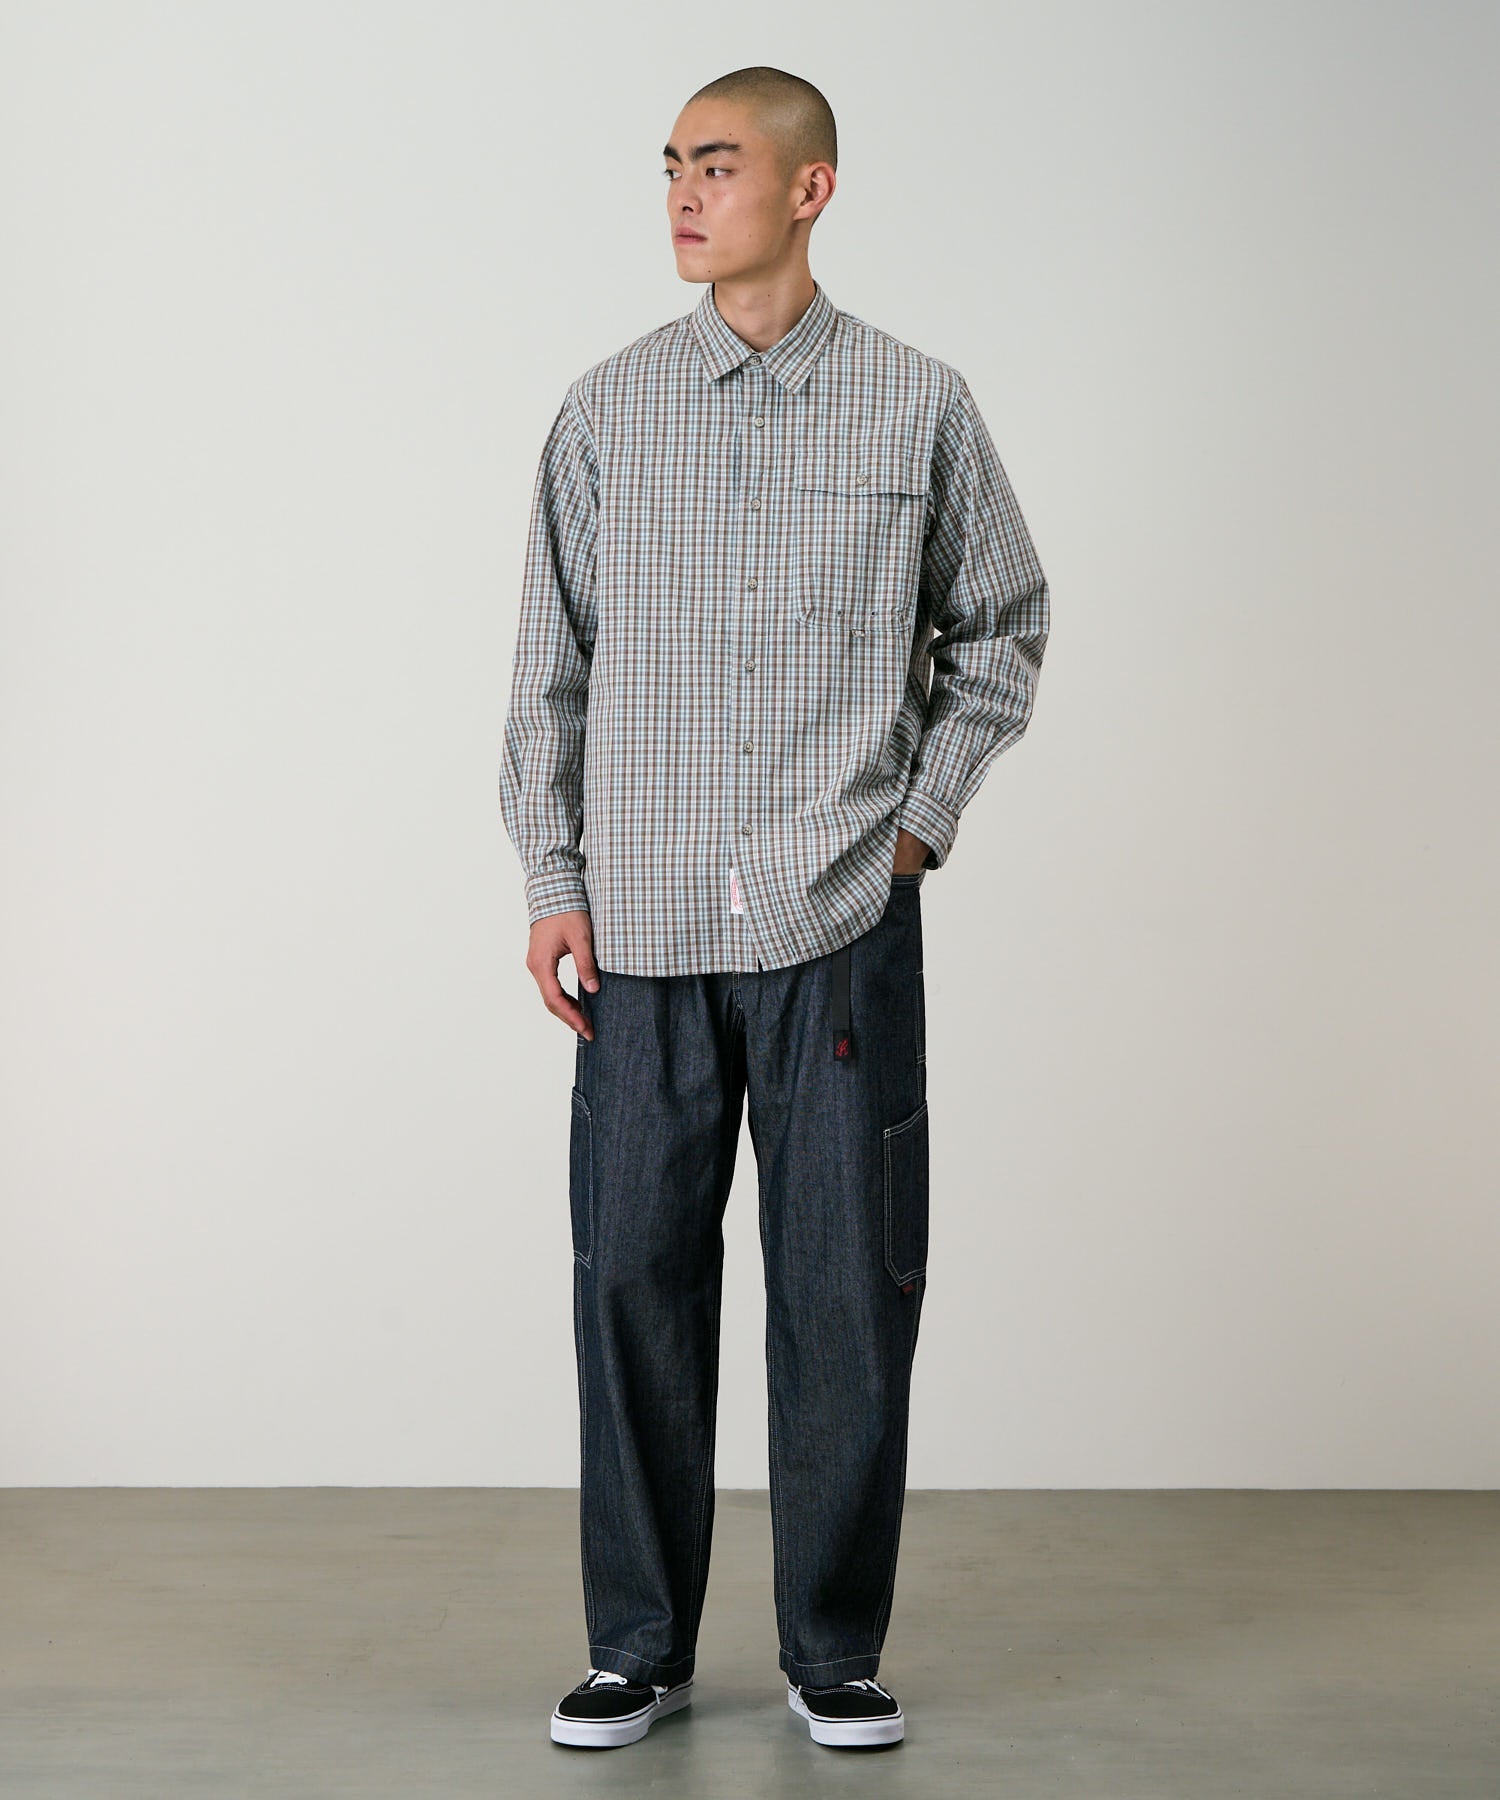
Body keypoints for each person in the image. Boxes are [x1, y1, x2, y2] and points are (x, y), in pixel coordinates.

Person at [499, 65, 1049, 1752]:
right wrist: (553, 881)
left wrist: (916, 834)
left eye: (718, 164)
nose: (683, 192)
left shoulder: (918, 405)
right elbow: (549, 670)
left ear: (809, 189)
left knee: (847, 1299)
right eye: (671, 165)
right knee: (632, 1289)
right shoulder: (605, 411)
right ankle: (640, 1646)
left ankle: (833, 1650)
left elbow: (1003, 628)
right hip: (643, 934)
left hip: (839, 933)